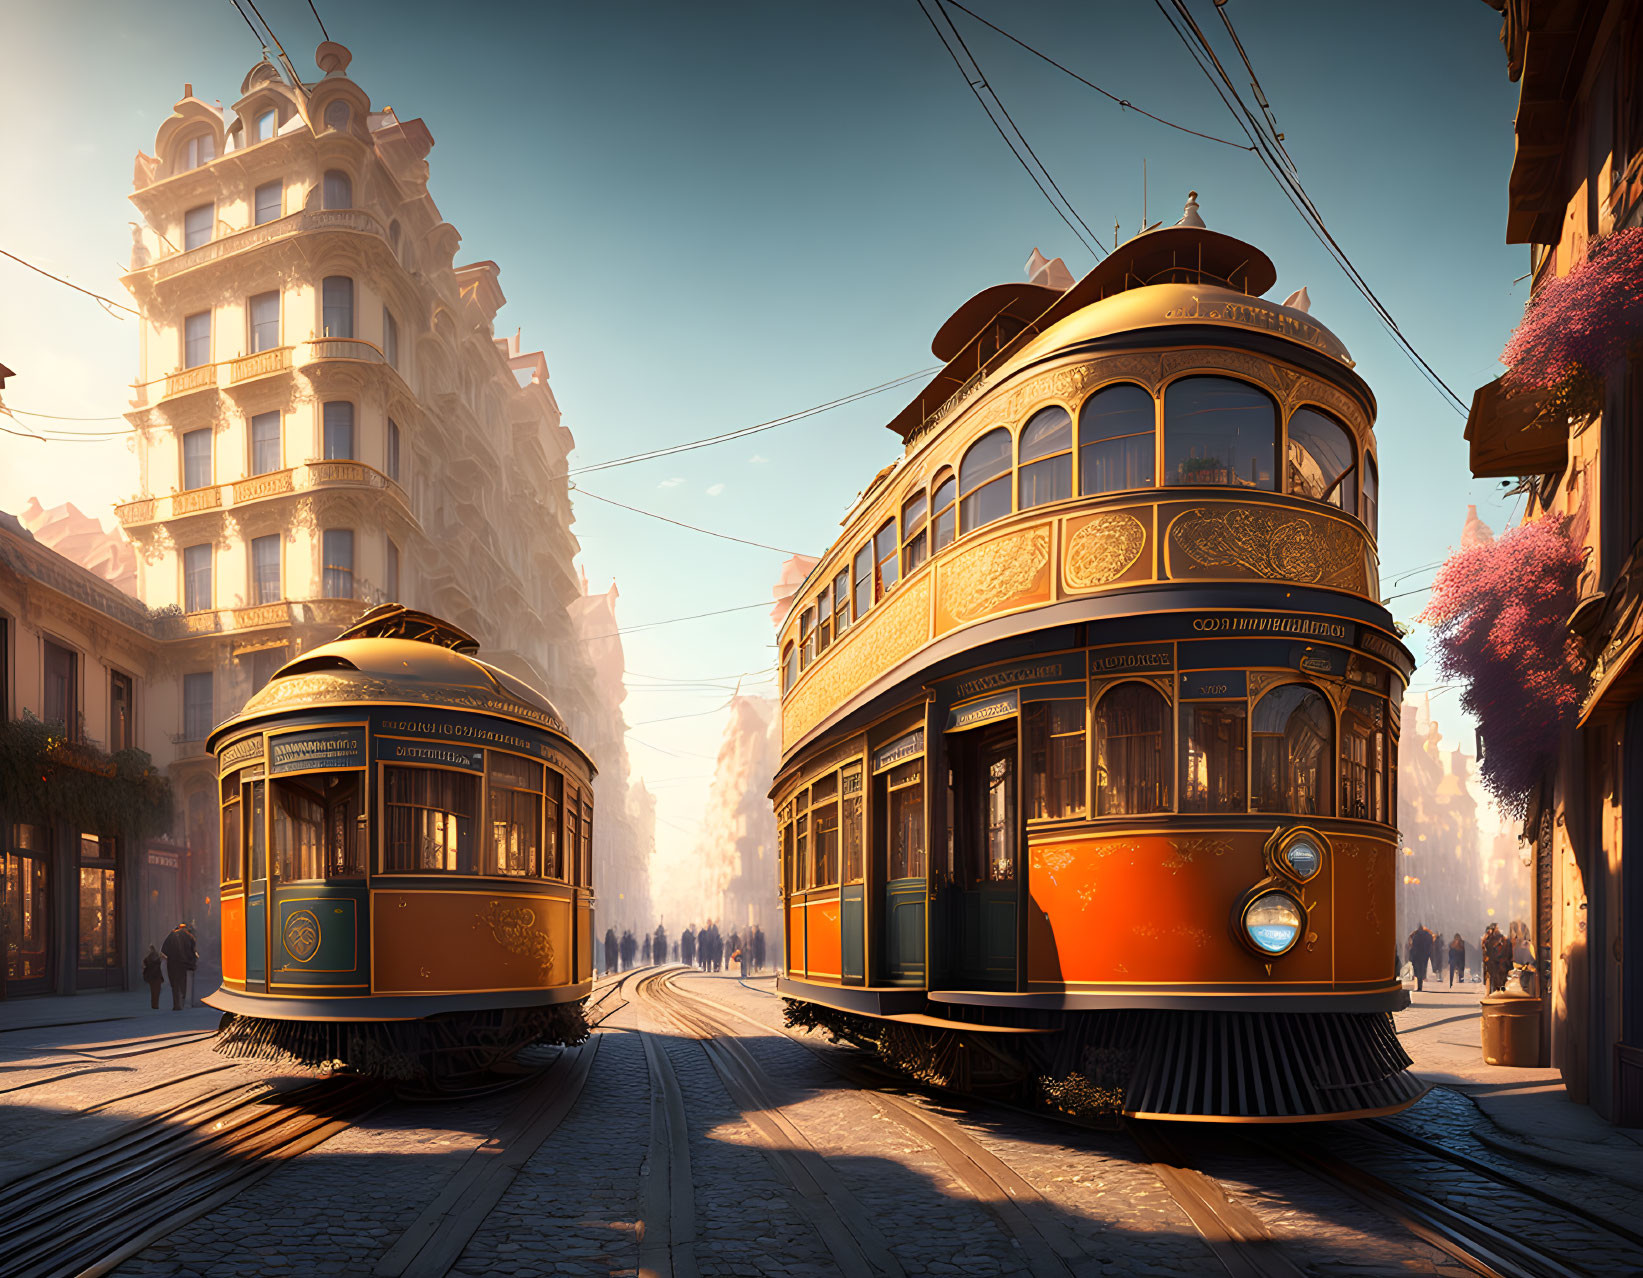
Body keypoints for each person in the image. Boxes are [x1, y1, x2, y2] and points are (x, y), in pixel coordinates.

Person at [160, 921, 197, 1011]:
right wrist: (191, 961)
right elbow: (193, 951)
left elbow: (164, 949)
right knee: (182, 982)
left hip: (173, 963)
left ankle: (177, 1004)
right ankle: (183, 1001)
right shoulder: (189, 936)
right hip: (183, 964)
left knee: (175, 984)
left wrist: (171, 956)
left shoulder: (171, 936)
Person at [1406, 923, 1433, 993]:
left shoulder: (1416, 935)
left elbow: (1412, 943)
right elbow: (1431, 941)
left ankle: (1419, 986)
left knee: (1417, 971)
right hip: (1424, 955)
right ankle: (1420, 985)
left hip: (1417, 955)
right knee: (1422, 969)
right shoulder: (1427, 935)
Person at [141, 944, 164, 1010]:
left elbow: (145, 965)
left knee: (153, 992)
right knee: (156, 992)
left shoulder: (148, 958)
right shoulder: (157, 959)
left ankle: (154, 1005)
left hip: (151, 977)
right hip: (157, 976)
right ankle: (155, 1005)